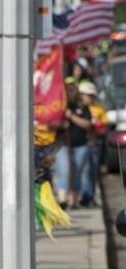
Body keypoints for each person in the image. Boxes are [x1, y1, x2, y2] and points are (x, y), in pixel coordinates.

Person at [53, 78, 92, 209]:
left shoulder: (82, 108)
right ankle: (62, 198)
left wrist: (72, 117)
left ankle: (73, 200)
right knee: (64, 170)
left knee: (76, 172)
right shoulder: (58, 107)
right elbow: (51, 125)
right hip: (62, 145)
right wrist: (62, 122)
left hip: (80, 145)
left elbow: (87, 124)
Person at [78, 80, 108, 207]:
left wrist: (98, 126)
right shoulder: (79, 109)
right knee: (84, 170)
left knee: (94, 171)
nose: (89, 97)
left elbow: (104, 126)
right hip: (83, 142)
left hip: (95, 143)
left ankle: (91, 194)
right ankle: (85, 195)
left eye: (91, 95)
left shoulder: (99, 109)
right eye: (87, 95)